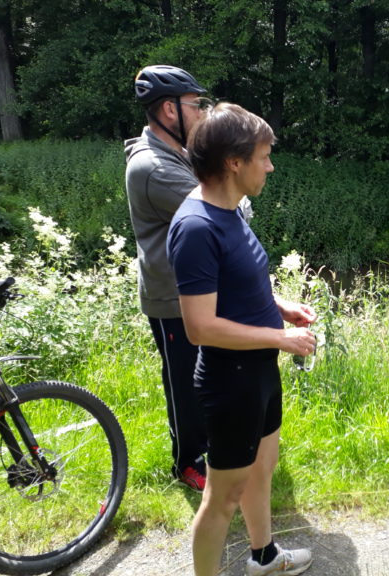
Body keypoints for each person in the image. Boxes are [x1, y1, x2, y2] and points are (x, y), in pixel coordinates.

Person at [166, 102, 316, 576]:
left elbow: (241, 285)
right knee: (221, 497)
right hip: (229, 381)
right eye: (264, 155)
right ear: (234, 162)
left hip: (258, 372)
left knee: (262, 469)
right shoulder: (196, 227)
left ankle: (265, 556)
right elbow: (200, 326)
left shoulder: (230, 211)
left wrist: (280, 306)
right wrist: (280, 336)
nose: (270, 165)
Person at [125, 65, 255, 493]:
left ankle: (219, 449)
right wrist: (231, 195)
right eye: (196, 105)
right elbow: (229, 208)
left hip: (200, 289)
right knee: (183, 383)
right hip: (172, 298)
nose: (202, 112)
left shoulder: (178, 155)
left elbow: (228, 201)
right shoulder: (154, 168)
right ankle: (186, 461)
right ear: (168, 110)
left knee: (209, 375)